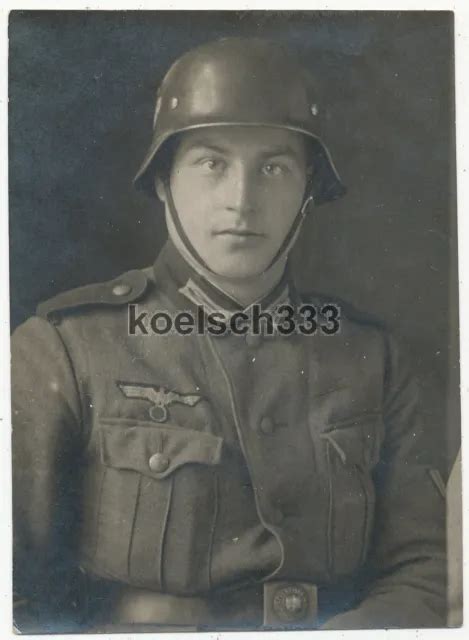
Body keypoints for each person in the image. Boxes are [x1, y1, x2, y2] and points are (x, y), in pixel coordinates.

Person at [11, 36, 447, 633]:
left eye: (273, 168)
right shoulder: (63, 348)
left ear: (308, 192)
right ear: (164, 181)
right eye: (211, 164)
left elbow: (424, 569)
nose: (242, 200)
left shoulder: (373, 357)